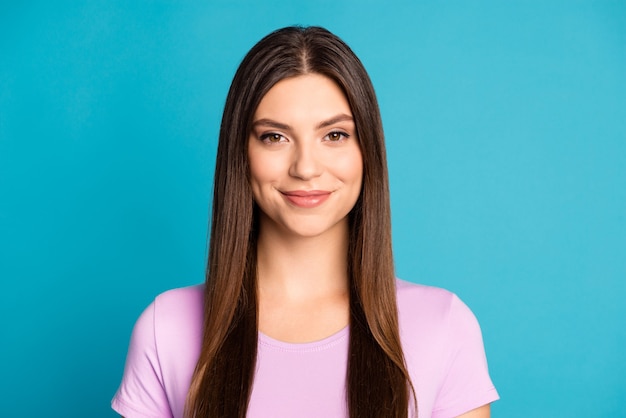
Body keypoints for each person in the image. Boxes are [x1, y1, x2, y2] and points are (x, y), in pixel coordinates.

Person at [112, 26, 499, 418]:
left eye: (334, 134)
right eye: (275, 137)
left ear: (367, 149)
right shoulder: (166, 329)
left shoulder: (443, 326)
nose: (306, 168)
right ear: (240, 153)